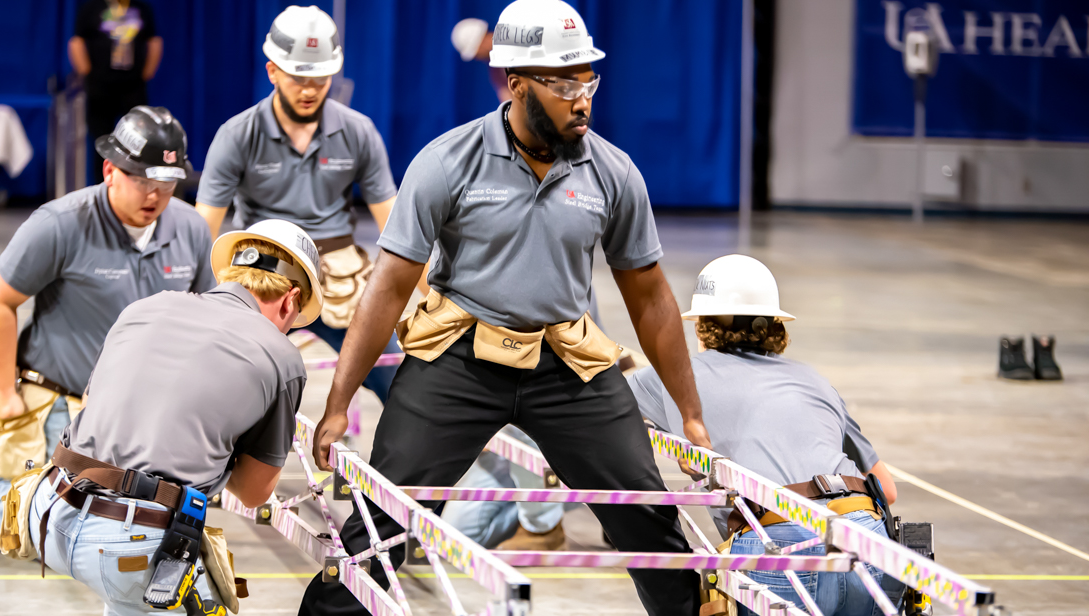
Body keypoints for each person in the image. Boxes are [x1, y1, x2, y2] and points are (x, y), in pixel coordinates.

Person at [299, 1, 710, 614]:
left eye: (588, 79)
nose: (583, 97)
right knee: (380, 525)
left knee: (648, 517)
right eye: (564, 82)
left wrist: (690, 413)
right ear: (516, 83)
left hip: (568, 365)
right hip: (458, 360)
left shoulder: (613, 172)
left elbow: (650, 298)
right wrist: (338, 405)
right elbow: (386, 288)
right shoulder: (448, 162)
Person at [0, 220, 320, 615]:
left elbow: (90, 402)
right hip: (129, 547)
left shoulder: (145, 306)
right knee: (174, 593)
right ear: (291, 299)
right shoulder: (282, 358)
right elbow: (254, 493)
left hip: (48, 514)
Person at [0, 106, 215, 548]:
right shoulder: (60, 223)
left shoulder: (190, 229)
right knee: (53, 538)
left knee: (138, 536)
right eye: (142, 181)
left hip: (142, 411)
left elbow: (205, 318)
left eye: (166, 184)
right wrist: (7, 395)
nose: (155, 196)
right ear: (110, 170)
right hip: (60, 399)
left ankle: (8, 487)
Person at [627, 254, 902, 616]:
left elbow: (600, 408)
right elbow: (888, 490)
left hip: (778, 543)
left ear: (700, 326)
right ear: (775, 326)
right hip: (863, 538)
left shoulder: (674, 377)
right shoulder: (817, 381)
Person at [196, 5, 409, 405]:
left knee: (397, 378)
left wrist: (434, 294)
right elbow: (202, 227)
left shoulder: (358, 131)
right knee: (220, 383)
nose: (309, 89)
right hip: (259, 271)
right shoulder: (238, 134)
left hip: (339, 273)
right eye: (298, 77)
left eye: (320, 78)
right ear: (272, 71)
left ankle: (397, 467)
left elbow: (399, 228)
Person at [69, 0, 162, 184]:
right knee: (101, 140)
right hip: (100, 86)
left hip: (133, 86)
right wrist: (87, 73)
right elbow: (77, 41)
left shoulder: (141, 8)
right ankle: (103, 187)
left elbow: (154, 41)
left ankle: (136, 184)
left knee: (139, 140)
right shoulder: (91, 8)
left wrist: (146, 73)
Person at [450, 17, 509, 103]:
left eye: (475, 53)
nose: (477, 58)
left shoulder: (518, 42)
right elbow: (508, 102)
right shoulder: (496, 71)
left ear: (482, 40)